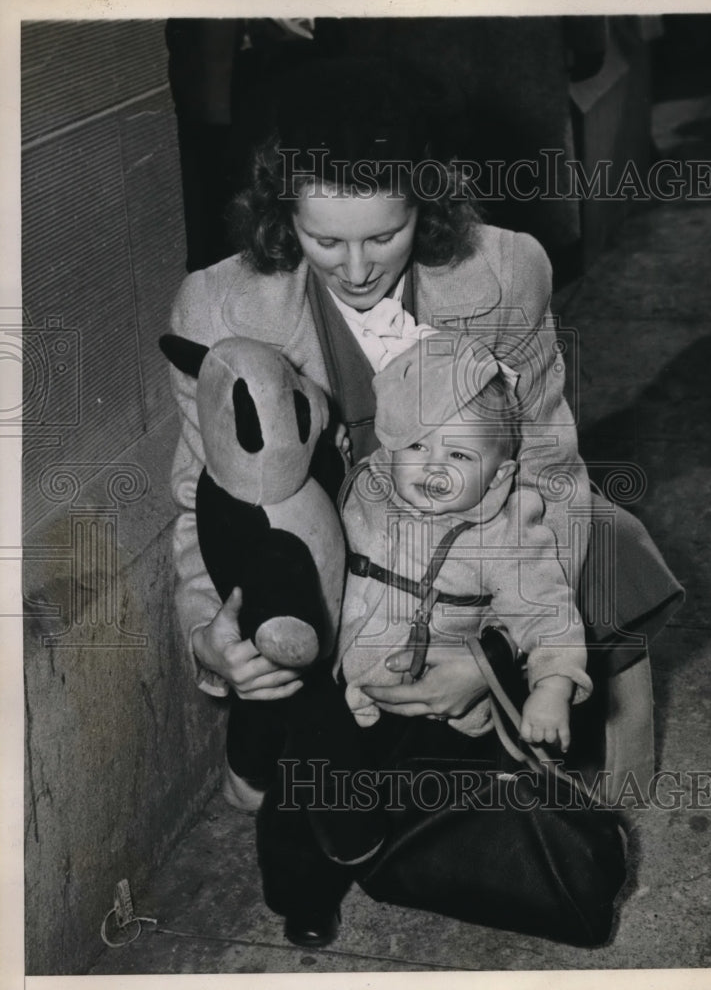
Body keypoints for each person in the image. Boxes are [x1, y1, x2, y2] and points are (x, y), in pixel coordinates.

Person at [165, 58, 682, 947]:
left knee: (608, 538)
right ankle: (282, 732)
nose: (357, 268)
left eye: (386, 233)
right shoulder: (216, 305)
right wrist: (217, 639)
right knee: (335, 781)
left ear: (428, 205)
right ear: (282, 213)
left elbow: (551, 474)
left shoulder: (508, 271)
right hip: (334, 570)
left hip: (471, 551)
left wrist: (481, 660)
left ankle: (574, 718)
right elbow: (202, 505)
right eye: (325, 241)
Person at [338, 335, 592, 751]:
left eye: (459, 455)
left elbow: (549, 615)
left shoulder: (503, 537)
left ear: (497, 476)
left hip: (445, 719)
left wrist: (551, 688)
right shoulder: (369, 489)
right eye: (417, 445)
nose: (433, 465)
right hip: (353, 695)